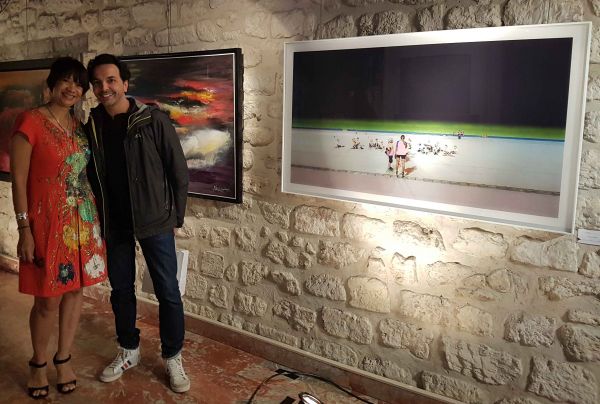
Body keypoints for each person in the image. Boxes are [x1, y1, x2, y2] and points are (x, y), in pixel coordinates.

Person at [85, 54, 190, 393]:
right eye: (97, 82)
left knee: (168, 291)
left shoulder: (152, 120)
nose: (104, 87)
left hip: (155, 219)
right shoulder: (92, 125)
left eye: (111, 80)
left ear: (125, 83)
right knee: (120, 290)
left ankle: (172, 355)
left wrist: (175, 217)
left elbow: (178, 171)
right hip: (115, 222)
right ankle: (128, 349)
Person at [10, 57, 107, 399]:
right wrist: (24, 229)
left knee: (75, 292)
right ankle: (38, 363)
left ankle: (63, 358)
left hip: (82, 223)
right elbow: (18, 180)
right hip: (46, 224)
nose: (72, 88)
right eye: (66, 81)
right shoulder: (30, 121)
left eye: (79, 84)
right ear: (50, 85)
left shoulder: (79, 125)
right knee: (47, 300)